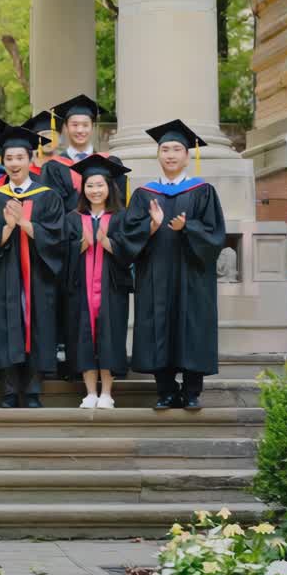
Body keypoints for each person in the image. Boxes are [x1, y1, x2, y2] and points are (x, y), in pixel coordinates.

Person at [118, 120, 226, 410]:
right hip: (155, 273)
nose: (170, 154)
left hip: (193, 274)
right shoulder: (144, 194)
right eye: (165, 149)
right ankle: (165, 390)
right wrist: (151, 227)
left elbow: (215, 234)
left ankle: (191, 392)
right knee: (157, 326)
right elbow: (128, 236)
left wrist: (188, 227)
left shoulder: (203, 191)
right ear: (158, 154)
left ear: (187, 155)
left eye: (177, 149)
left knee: (192, 327)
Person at [0, 126, 65, 409]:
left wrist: (25, 225)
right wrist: (7, 228)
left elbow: (58, 237)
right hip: (6, 273)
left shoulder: (48, 196)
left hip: (38, 273)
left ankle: (34, 390)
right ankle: (10, 390)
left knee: (38, 324)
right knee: (5, 325)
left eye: (19, 157)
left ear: (30, 158)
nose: (14, 163)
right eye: (9, 158)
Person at [64, 155, 133, 409]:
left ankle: (107, 393)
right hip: (80, 288)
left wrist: (109, 244)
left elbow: (130, 249)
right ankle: (90, 392)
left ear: (110, 187)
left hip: (111, 288)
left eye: (100, 185)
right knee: (83, 336)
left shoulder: (121, 217)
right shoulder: (72, 218)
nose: (95, 190)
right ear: (83, 188)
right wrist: (79, 246)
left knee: (109, 336)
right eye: (90, 185)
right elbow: (61, 252)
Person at [41, 95, 120, 212]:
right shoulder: (54, 167)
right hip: (68, 229)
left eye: (85, 125)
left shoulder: (110, 162)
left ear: (92, 128)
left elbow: (119, 202)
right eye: (75, 125)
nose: (80, 130)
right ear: (66, 127)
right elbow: (52, 207)